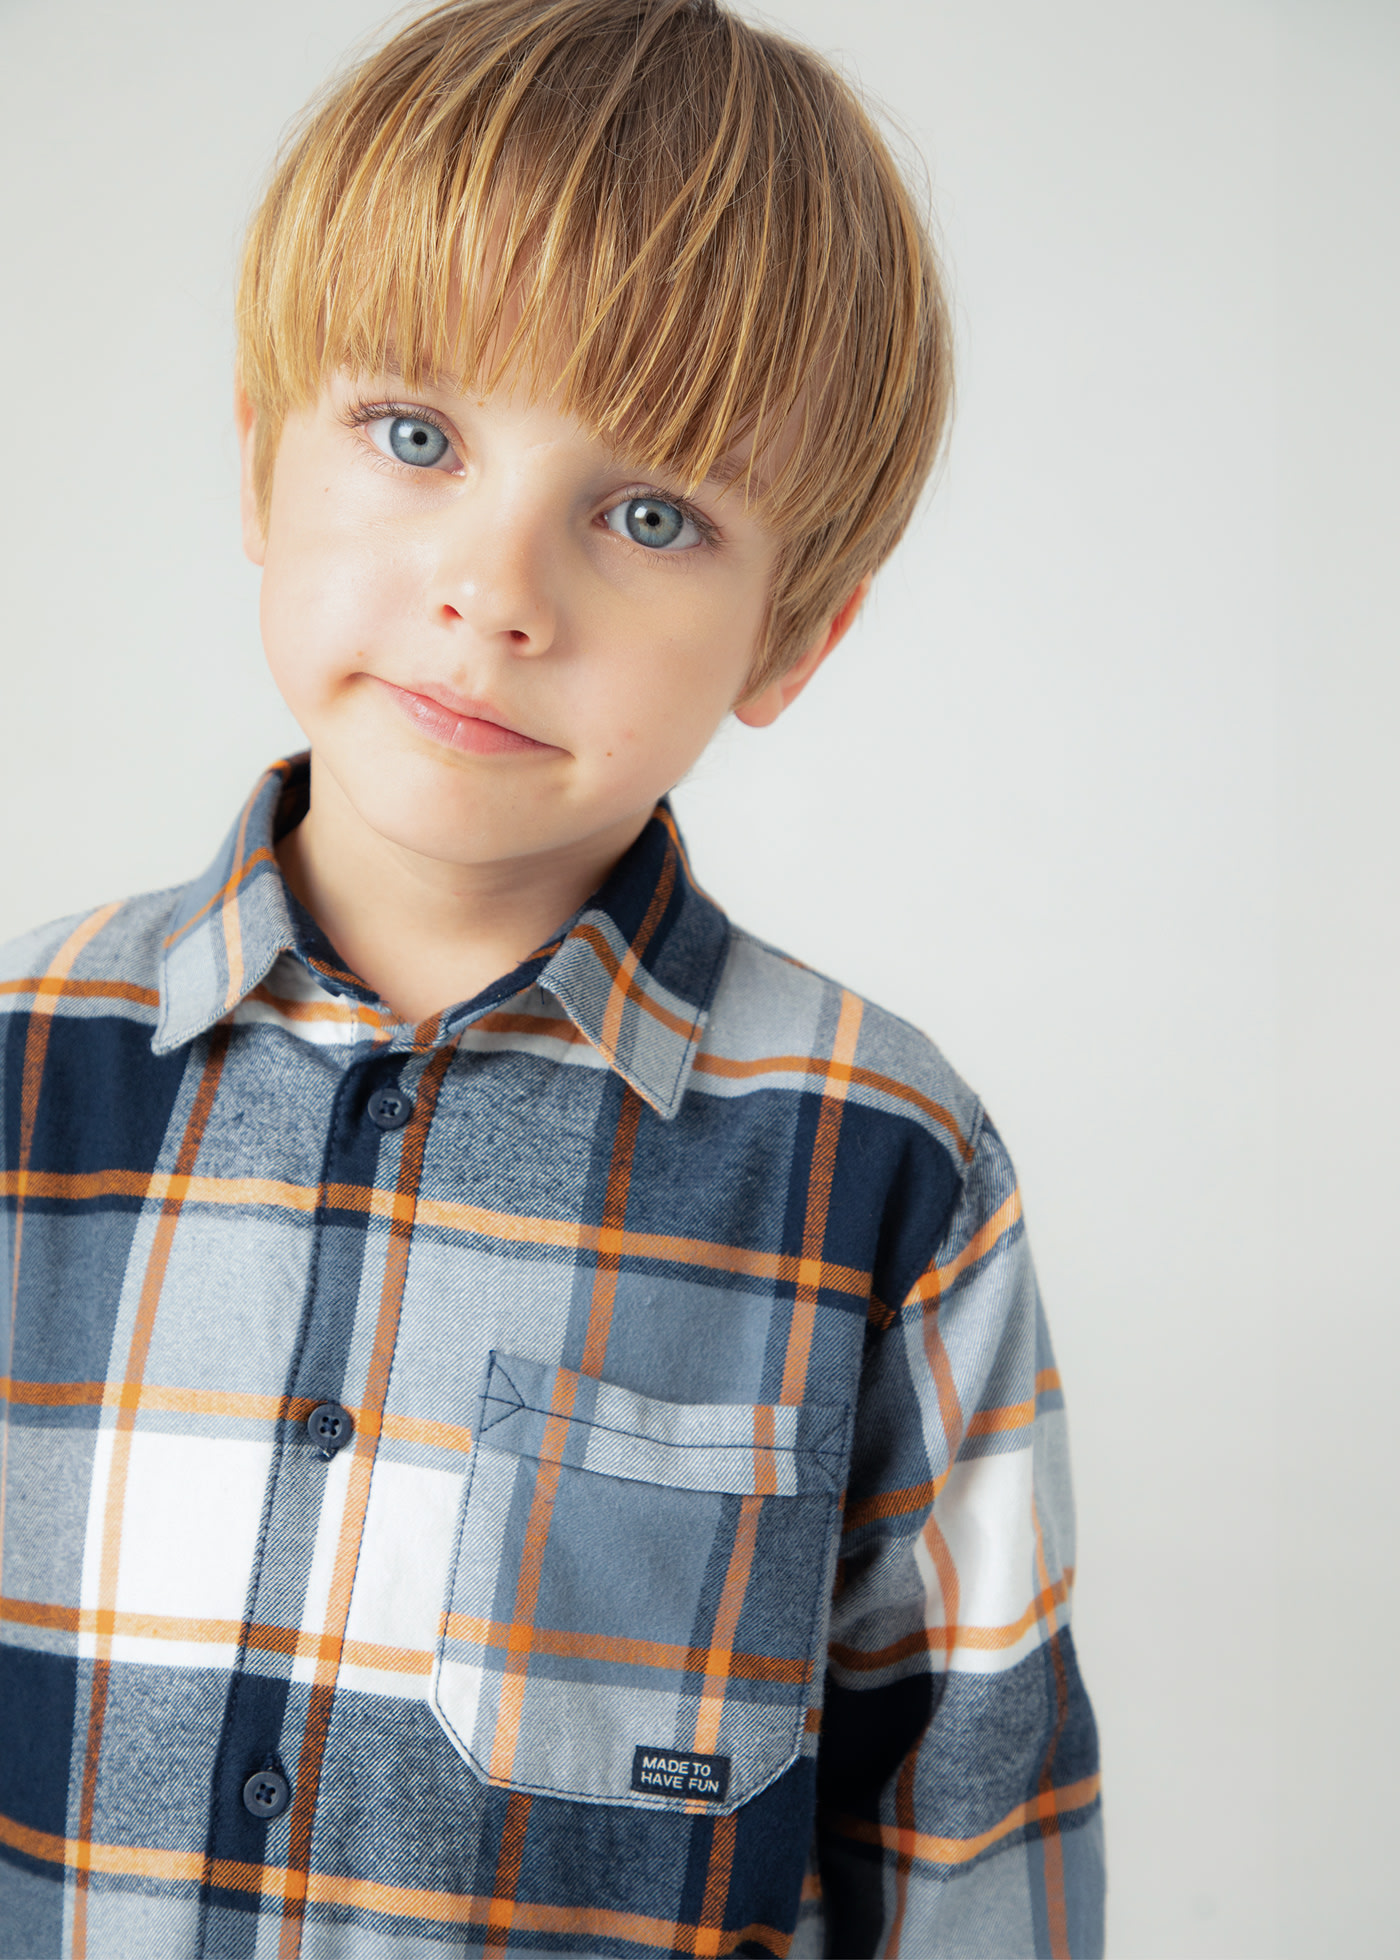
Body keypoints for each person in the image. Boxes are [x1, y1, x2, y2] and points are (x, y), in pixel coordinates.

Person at [0, 1, 1103, 1953]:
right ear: (262, 468)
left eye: (651, 512)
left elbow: (965, 1831)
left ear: (793, 638)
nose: (498, 587)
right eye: (413, 433)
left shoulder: (884, 1162)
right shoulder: (20, 1074)